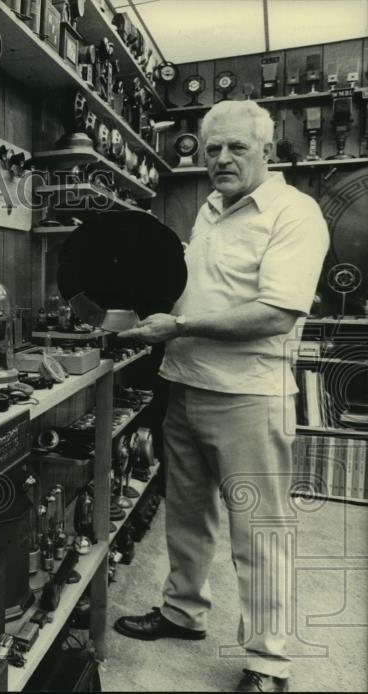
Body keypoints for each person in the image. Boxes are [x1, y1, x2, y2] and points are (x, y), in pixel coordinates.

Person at [113, 100, 330, 693]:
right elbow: (195, 292)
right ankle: (183, 612)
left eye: (237, 147)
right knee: (187, 518)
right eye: (213, 149)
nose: (222, 159)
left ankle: (269, 662)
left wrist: (177, 329)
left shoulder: (295, 212)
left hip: (248, 397)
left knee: (259, 533)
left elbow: (276, 314)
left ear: (268, 149)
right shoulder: (208, 210)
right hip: (185, 386)